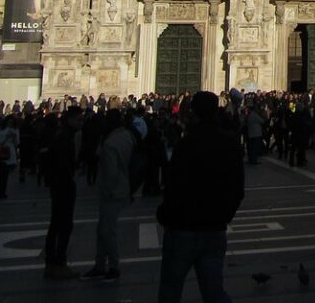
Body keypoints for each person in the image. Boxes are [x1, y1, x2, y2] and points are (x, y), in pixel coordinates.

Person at [157, 91, 245, 303]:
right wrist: (224, 216)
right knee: (214, 291)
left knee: (170, 290)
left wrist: (166, 215)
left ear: (193, 113)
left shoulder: (185, 144)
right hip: (215, 227)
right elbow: (237, 189)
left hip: (182, 228)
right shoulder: (230, 143)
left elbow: (172, 185)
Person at [83, 110, 137, 281]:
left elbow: (111, 172)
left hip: (112, 192)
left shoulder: (110, 143)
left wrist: (106, 190)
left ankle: (112, 266)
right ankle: (100, 265)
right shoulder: (128, 136)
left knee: (106, 231)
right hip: (124, 187)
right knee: (103, 230)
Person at [43, 106, 84, 280]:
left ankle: (52, 264)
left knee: (56, 225)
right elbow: (62, 163)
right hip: (63, 185)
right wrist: (69, 179)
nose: (81, 123)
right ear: (70, 120)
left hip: (59, 184)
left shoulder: (63, 135)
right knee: (63, 225)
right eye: (79, 120)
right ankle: (58, 263)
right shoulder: (64, 138)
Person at [0, 115, 20, 200]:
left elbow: (17, 143)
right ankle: (0, 192)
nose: (10, 124)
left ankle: (2, 192)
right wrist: (6, 137)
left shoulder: (15, 130)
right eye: (9, 122)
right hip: (2, 151)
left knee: (5, 174)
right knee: (2, 174)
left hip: (10, 152)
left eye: (12, 122)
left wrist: (14, 137)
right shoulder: (1, 129)